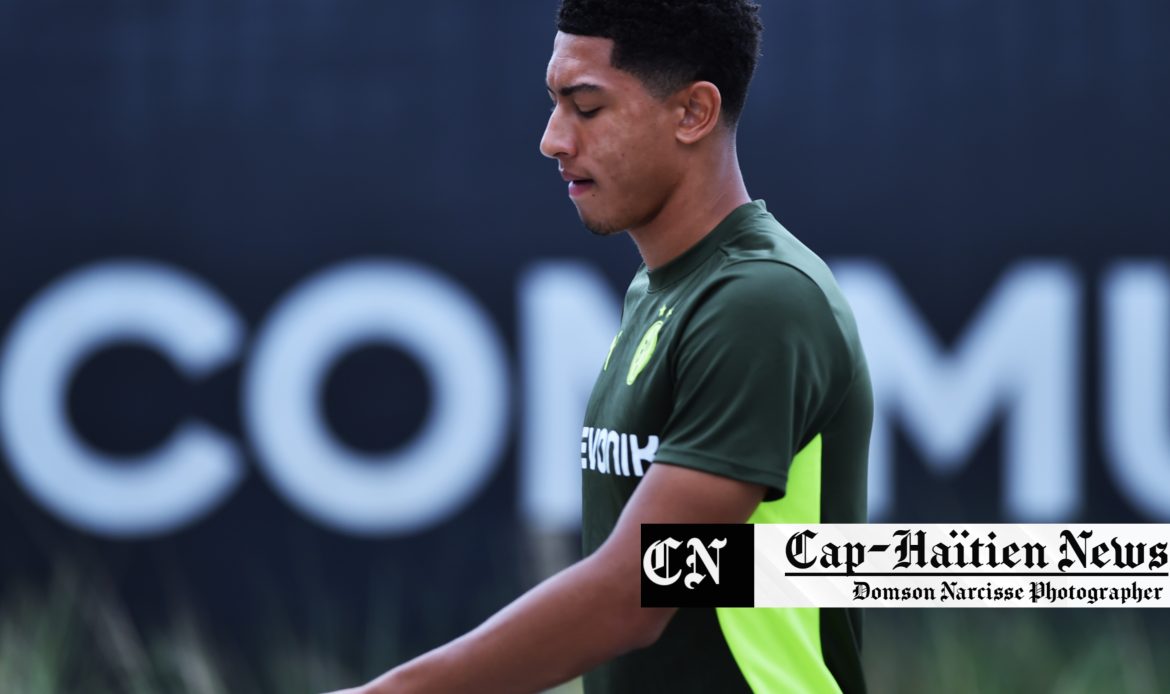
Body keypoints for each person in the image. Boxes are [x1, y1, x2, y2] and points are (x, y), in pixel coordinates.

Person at [327, 0, 871, 692]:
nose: (553, 140)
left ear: (693, 113)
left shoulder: (761, 303)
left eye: (586, 108)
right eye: (556, 104)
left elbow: (637, 589)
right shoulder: (663, 291)